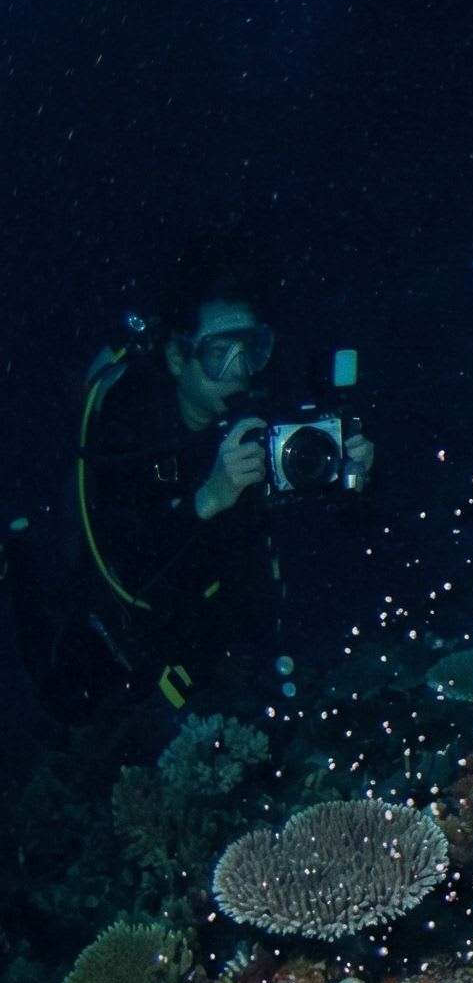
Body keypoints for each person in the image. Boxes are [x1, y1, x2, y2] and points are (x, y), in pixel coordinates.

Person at [36, 292, 375, 719]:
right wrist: (208, 498)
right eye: (220, 352)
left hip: (234, 635)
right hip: (136, 642)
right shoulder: (131, 440)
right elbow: (126, 578)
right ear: (179, 359)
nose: (239, 370)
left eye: (251, 350)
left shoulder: (272, 423)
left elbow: (321, 546)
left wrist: (354, 480)